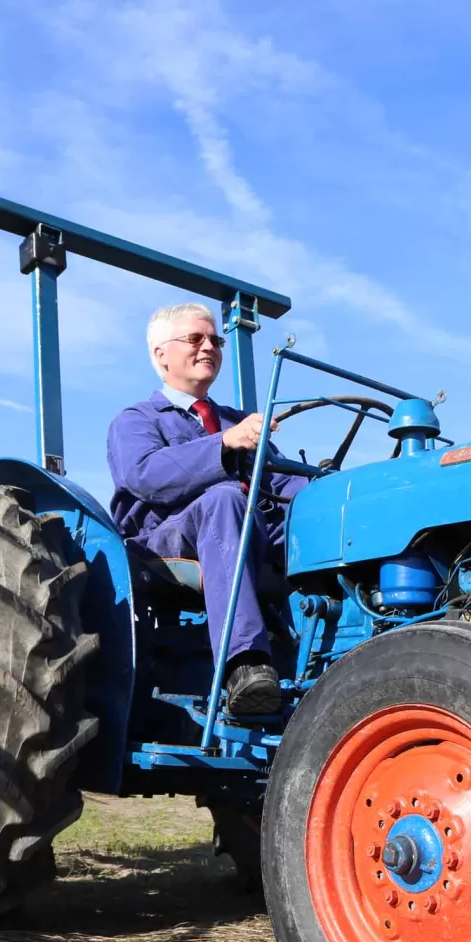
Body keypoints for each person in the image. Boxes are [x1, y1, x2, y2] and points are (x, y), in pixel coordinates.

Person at [107, 303, 306, 715]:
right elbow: (144, 475)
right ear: (161, 354)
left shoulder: (235, 419)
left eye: (215, 340)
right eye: (195, 338)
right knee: (226, 498)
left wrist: (333, 492)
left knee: (316, 514)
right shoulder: (137, 420)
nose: (208, 347)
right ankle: (244, 664)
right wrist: (223, 444)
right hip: (164, 538)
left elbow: (282, 480)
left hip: (248, 527)